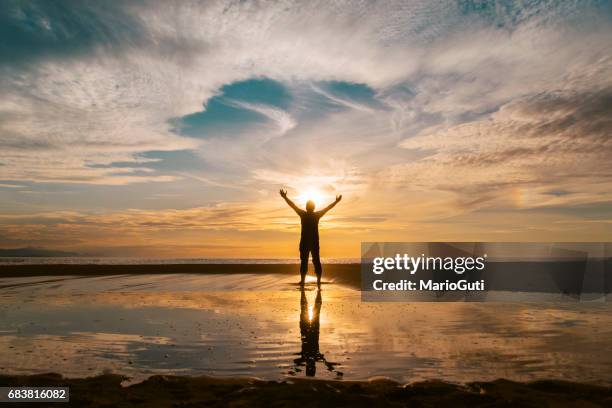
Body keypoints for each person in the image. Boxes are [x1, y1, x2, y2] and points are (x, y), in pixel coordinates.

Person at [279, 189, 341, 288]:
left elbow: (293, 205)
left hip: (305, 242)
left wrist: (285, 197)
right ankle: (318, 281)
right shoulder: (316, 215)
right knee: (316, 261)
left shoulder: (303, 214)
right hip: (314, 242)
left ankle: (303, 281)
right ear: (314, 207)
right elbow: (327, 208)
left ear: (307, 207)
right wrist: (336, 202)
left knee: (305, 261)